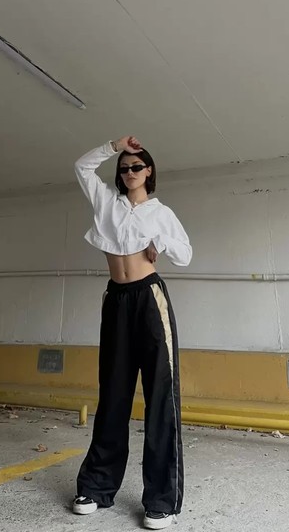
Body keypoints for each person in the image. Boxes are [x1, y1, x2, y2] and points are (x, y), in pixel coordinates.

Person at [72, 136, 192, 530]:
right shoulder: (106, 202)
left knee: (160, 395)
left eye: (136, 166)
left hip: (149, 299)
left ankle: (161, 500)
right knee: (113, 393)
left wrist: (162, 242)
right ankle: (96, 486)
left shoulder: (161, 212)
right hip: (117, 300)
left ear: (149, 171)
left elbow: (186, 253)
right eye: (123, 168)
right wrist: (113, 145)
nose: (129, 172)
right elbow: (82, 167)